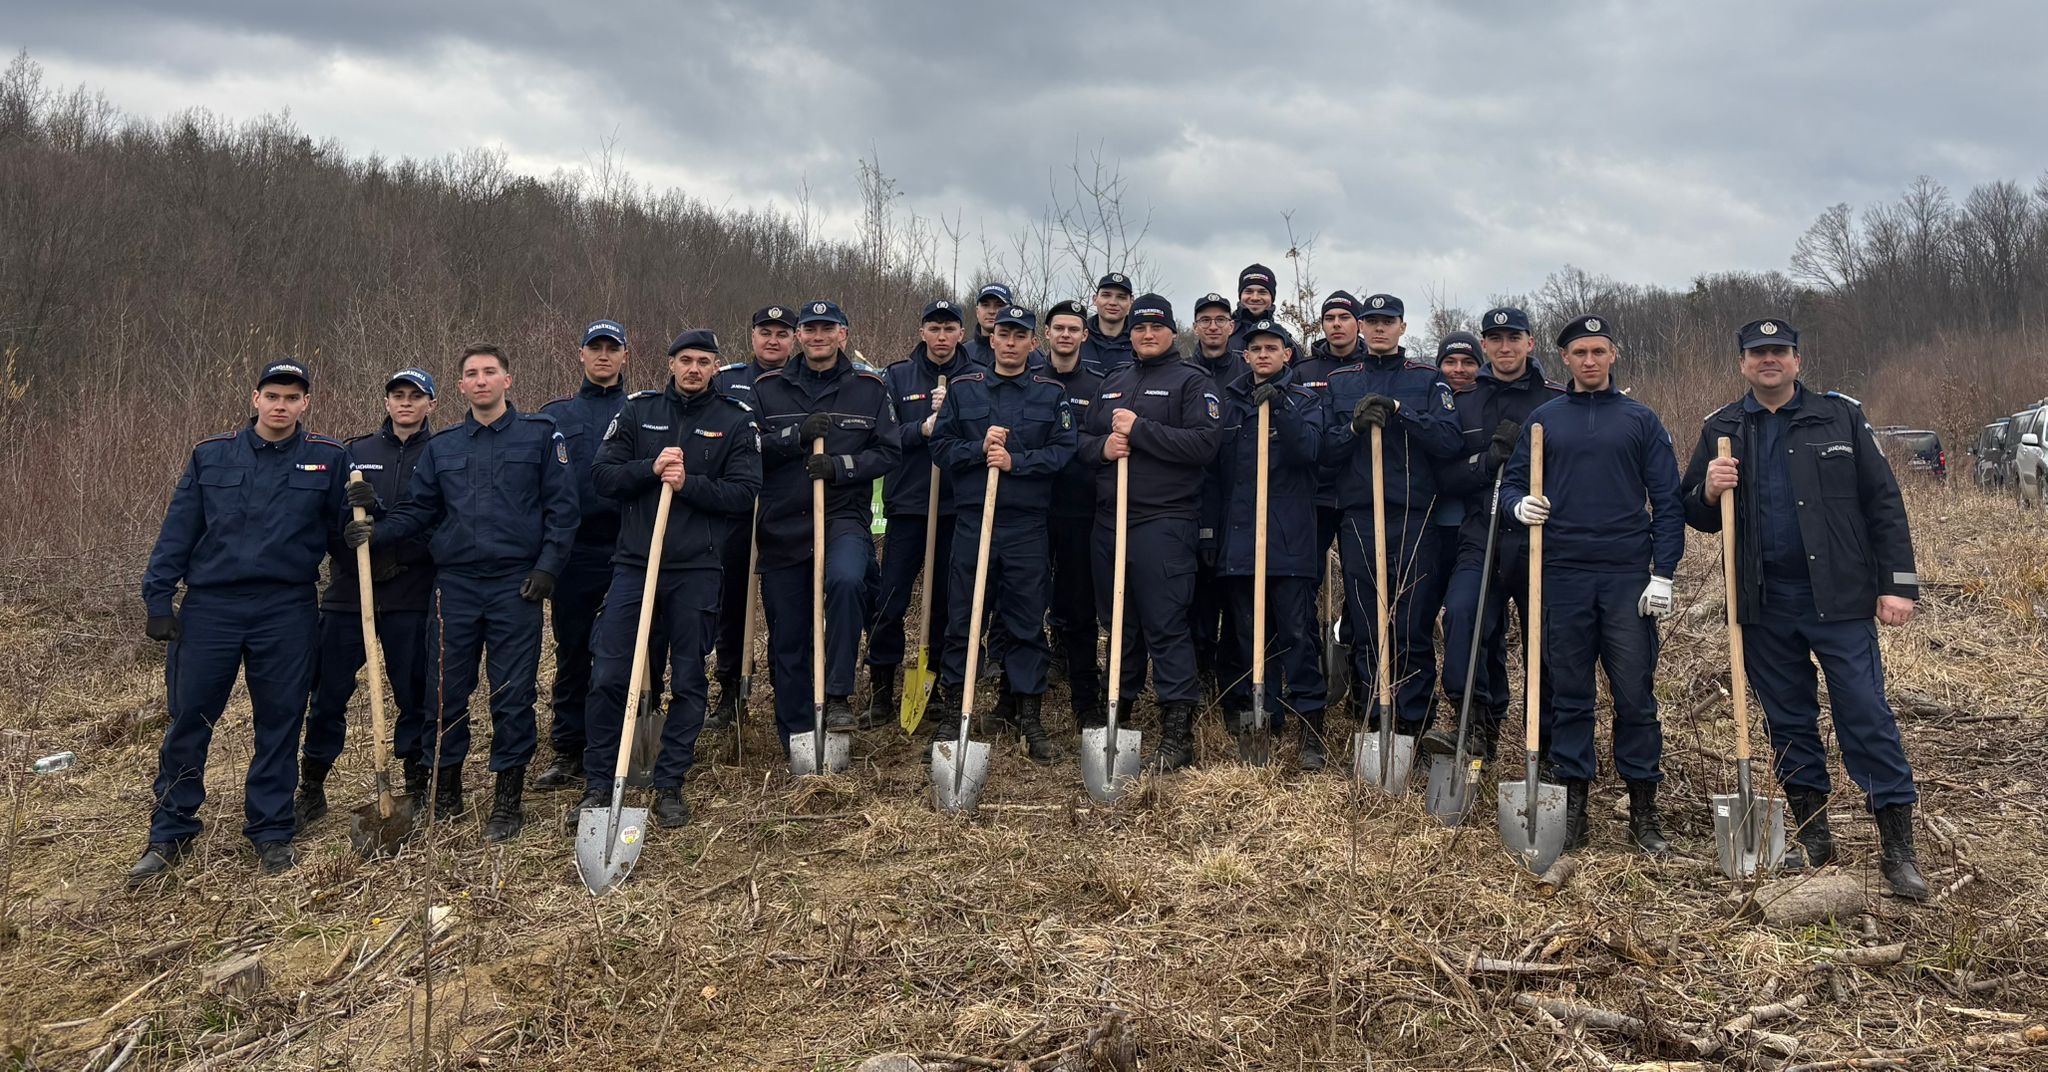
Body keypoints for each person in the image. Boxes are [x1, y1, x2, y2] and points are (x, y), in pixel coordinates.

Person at [1679, 317, 1929, 898]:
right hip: (1764, 604)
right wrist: (1710, 490)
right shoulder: (1722, 428)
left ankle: (1898, 849)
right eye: (1758, 353)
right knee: (1788, 723)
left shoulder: (1840, 418)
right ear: (1743, 363)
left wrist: (1898, 585)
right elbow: (1693, 513)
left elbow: (1884, 502)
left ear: (1797, 360)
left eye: (1780, 351)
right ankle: (1816, 840)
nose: (1769, 360)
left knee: (1865, 714)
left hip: (1839, 598)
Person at [346, 343, 579, 843]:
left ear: (507, 380)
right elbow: (420, 510)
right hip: (454, 586)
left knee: (512, 694)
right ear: (460, 387)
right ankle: (446, 793)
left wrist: (548, 569)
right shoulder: (444, 447)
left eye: (490, 372)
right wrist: (377, 529)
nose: (481, 380)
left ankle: (507, 801)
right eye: (471, 374)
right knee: (444, 693)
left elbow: (563, 510)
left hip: (516, 586)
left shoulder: (540, 436)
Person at [132, 360, 348, 884]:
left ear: (306, 403)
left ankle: (271, 829)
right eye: (273, 395)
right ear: (255, 399)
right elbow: (179, 528)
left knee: (280, 720)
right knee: (190, 718)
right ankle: (171, 830)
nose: (281, 405)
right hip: (212, 608)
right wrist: (158, 598)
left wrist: (368, 517)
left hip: (286, 609)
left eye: (292, 397)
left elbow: (344, 536)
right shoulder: (212, 455)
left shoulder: (328, 459)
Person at [1501, 315, 1683, 856]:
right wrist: (1517, 506)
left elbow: (1667, 500)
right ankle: (1575, 807)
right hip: (1563, 576)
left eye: (1598, 351)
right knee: (1570, 696)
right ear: (1565, 358)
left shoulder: (1640, 420)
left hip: (1626, 576)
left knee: (1635, 697)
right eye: (1579, 352)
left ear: (1613, 355)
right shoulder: (1544, 420)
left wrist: (1663, 573)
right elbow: (1511, 483)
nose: (1589, 360)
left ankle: (1643, 811)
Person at [569, 330, 760, 830]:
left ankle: (670, 782)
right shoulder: (638, 411)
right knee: (609, 674)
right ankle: (599, 782)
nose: (694, 369)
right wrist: (649, 469)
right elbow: (602, 476)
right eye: (685, 360)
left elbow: (744, 493)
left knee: (689, 679)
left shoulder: (735, 420)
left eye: (704, 361)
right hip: (634, 565)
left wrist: (688, 484)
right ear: (670, 363)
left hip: (697, 569)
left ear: (716, 367)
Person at [1078, 294, 1220, 770]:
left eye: (1156, 327)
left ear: (1172, 332)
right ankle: (1119, 714)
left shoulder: (1192, 382)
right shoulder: (1113, 382)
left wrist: (1139, 430)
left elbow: (1204, 444)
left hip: (1163, 521)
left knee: (1165, 624)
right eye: (1139, 328)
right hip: (1109, 520)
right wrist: (1103, 448)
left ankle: (1177, 732)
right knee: (1119, 623)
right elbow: (1081, 440)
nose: (1147, 334)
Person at [751, 300, 900, 750]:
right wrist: (791, 437)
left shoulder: (869, 389)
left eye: (828, 328)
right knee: (789, 633)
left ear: (843, 335)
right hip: (783, 521)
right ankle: (797, 732)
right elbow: (746, 447)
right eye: (810, 329)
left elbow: (888, 451)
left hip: (842, 516)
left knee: (848, 580)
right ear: (799, 336)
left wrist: (841, 466)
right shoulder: (767, 389)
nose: (818, 336)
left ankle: (837, 695)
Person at [930, 305, 1076, 760]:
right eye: (1003, 334)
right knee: (964, 619)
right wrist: (979, 448)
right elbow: (940, 448)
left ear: (1033, 342)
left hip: (1026, 526)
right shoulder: (964, 389)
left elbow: (1063, 451)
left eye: (1019, 336)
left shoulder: (1051, 394)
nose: (1011, 343)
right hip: (975, 523)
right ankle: (955, 712)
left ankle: (1028, 715)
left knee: (1026, 622)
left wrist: (1017, 462)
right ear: (990, 339)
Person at [298, 368, 439, 827]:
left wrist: (398, 555)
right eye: (398, 395)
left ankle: (416, 780)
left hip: (410, 592)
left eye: (415, 396)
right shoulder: (355, 452)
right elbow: (332, 520)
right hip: (349, 593)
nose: (405, 403)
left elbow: (439, 519)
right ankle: (312, 785)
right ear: (386, 402)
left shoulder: (441, 452)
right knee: (328, 692)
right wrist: (351, 549)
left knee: (413, 693)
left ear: (431, 404)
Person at [1321, 294, 1462, 743]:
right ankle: (1375, 715)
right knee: (1367, 625)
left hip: (1413, 516)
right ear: (1361, 328)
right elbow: (1323, 449)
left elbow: (1449, 441)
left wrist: (1403, 414)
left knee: (1411, 625)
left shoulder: (1427, 379)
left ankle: (1413, 723)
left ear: (1402, 327)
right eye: (1372, 321)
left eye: (1388, 322)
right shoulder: (1340, 382)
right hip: (1361, 517)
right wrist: (1353, 428)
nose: (1379, 329)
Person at [1425, 308, 1562, 764]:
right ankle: (1473, 723)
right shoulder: (1462, 402)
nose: (1505, 347)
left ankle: (1545, 743)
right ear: (1484, 345)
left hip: (1540, 541)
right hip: (1481, 533)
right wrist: (1484, 463)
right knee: (1462, 616)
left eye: (1513, 338)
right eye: (1495, 339)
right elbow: (1443, 475)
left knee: (1545, 641)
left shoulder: (1556, 400)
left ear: (1530, 343)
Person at [1210, 320, 1329, 766]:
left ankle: (1311, 725)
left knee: (1297, 634)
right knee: (1249, 635)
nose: (1263, 355)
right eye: (1255, 348)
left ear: (1286, 354)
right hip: (1241, 540)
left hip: (1288, 539)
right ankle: (1265, 716)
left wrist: (1281, 408)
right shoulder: (1229, 404)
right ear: (1245, 356)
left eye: (1271, 348)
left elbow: (1310, 452)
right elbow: (1217, 474)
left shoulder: (1305, 400)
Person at [866, 300, 979, 726]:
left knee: (946, 604)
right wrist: (923, 428)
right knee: (890, 600)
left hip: (957, 505)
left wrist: (954, 414)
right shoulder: (897, 377)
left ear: (961, 333)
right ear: (922, 332)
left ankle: (937, 688)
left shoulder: (977, 377)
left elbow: (987, 435)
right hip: (910, 504)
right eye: (934, 328)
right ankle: (881, 691)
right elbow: (884, 435)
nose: (942, 336)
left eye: (950, 328)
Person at [532, 320, 632, 792]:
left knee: (628, 650)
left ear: (625, 356)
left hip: (628, 549)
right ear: (581, 355)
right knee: (572, 650)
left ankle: (624, 744)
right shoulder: (555, 416)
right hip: (574, 551)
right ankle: (569, 748)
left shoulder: (642, 410)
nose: (603, 356)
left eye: (612, 348)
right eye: (596, 348)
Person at [707, 304, 798, 733]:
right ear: (753, 336)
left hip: (786, 505)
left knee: (785, 605)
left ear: (794, 339)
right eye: (765, 332)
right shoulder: (727, 381)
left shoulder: (802, 382)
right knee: (731, 602)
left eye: (782, 333)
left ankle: (786, 687)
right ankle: (730, 689)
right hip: (736, 510)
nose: (773, 340)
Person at [1040, 300, 1107, 726]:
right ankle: (1018, 699)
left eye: (1073, 329)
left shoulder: (1100, 385)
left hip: (1081, 509)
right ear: (1046, 333)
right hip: (1033, 508)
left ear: (1085, 335)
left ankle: (1086, 701)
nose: (1065, 335)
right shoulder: (1028, 378)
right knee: (1023, 604)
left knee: (1080, 607)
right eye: (1058, 328)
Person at [1189, 292, 1243, 709]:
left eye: (1220, 319)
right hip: (1192, 496)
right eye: (1205, 320)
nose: (1212, 326)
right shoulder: (1183, 373)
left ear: (1231, 326)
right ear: (1195, 327)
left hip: (1239, 497)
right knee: (1198, 595)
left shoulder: (1246, 371)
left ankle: (1234, 682)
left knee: (1235, 594)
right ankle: (1198, 674)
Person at [1080, 272, 1135, 371]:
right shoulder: (1078, 337)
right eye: (1106, 295)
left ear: (1131, 302)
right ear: (1095, 299)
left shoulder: (1139, 341)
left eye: (1121, 297)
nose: (1113, 303)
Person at [1228, 263, 1278, 353]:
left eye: (1262, 292)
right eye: (1248, 292)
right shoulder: (1221, 334)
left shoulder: (1285, 339)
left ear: (1272, 298)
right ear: (1240, 296)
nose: (1255, 298)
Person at [966, 283, 1011, 365]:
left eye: (999, 305)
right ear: (977, 311)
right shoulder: (963, 353)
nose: (992, 311)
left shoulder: (1025, 353)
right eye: (985, 305)